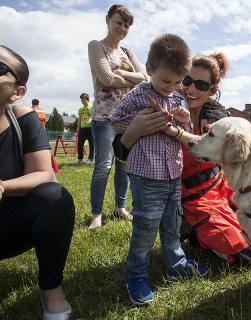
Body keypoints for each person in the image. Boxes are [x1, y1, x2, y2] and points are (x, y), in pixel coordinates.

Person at [119, 52, 251, 266]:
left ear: (212, 90)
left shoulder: (217, 114)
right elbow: (120, 152)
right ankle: (189, 229)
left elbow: (225, 149)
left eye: (202, 85)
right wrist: (134, 131)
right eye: (187, 80)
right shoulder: (160, 105)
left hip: (220, 187)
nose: (191, 90)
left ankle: (195, 227)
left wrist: (175, 132)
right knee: (247, 253)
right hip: (187, 197)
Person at [112, 34, 208, 306]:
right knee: (145, 225)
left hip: (172, 173)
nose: (173, 87)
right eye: (167, 81)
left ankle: (176, 262)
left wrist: (185, 120)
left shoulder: (177, 96)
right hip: (146, 174)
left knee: (172, 222)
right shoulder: (137, 95)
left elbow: (184, 133)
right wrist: (142, 120)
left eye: (179, 81)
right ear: (150, 69)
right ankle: (136, 274)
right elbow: (117, 122)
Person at [0, 45, 75, 319]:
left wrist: (4, 186)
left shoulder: (22, 118)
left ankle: (51, 289)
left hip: (8, 225)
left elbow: (43, 172)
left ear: (17, 92)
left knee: (55, 198)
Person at [87, 4, 147, 229]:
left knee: (124, 164)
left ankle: (120, 206)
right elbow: (106, 78)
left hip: (128, 118)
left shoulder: (128, 52)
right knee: (103, 165)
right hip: (104, 117)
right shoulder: (96, 46)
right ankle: (96, 213)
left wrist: (121, 72)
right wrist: (127, 77)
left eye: (127, 25)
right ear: (107, 20)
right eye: (118, 22)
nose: (122, 28)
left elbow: (145, 78)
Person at [77, 93, 94, 164]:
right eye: (81, 100)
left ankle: (91, 159)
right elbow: (79, 119)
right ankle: (80, 159)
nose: (82, 102)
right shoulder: (80, 109)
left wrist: (90, 120)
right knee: (80, 144)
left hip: (90, 129)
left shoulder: (91, 108)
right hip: (82, 129)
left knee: (91, 144)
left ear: (87, 99)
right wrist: (78, 129)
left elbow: (92, 116)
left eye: (83, 100)